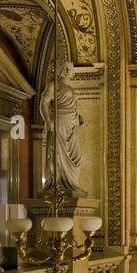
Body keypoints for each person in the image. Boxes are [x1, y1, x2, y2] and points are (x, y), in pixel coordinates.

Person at [40, 61, 86, 196]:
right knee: (58, 154)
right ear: (59, 69)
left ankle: (71, 184)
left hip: (71, 124)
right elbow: (44, 103)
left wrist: (78, 117)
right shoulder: (53, 85)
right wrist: (48, 121)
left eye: (70, 69)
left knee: (77, 156)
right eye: (65, 68)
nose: (67, 70)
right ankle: (59, 184)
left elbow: (71, 107)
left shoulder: (70, 89)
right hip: (59, 122)